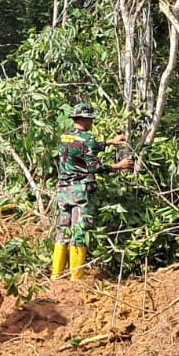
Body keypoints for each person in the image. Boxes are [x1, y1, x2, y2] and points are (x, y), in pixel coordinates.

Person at [52, 102, 133, 280]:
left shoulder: (65, 137)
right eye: (91, 120)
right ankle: (76, 278)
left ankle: (55, 276)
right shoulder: (87, 139)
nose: (92, 123)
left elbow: (82, 147)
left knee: (63, 231)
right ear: (86, 119)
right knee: (79, 232)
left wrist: (109, 142)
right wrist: (118, 166)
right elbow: (94, 167)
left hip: (63, 192)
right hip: (80, 192)